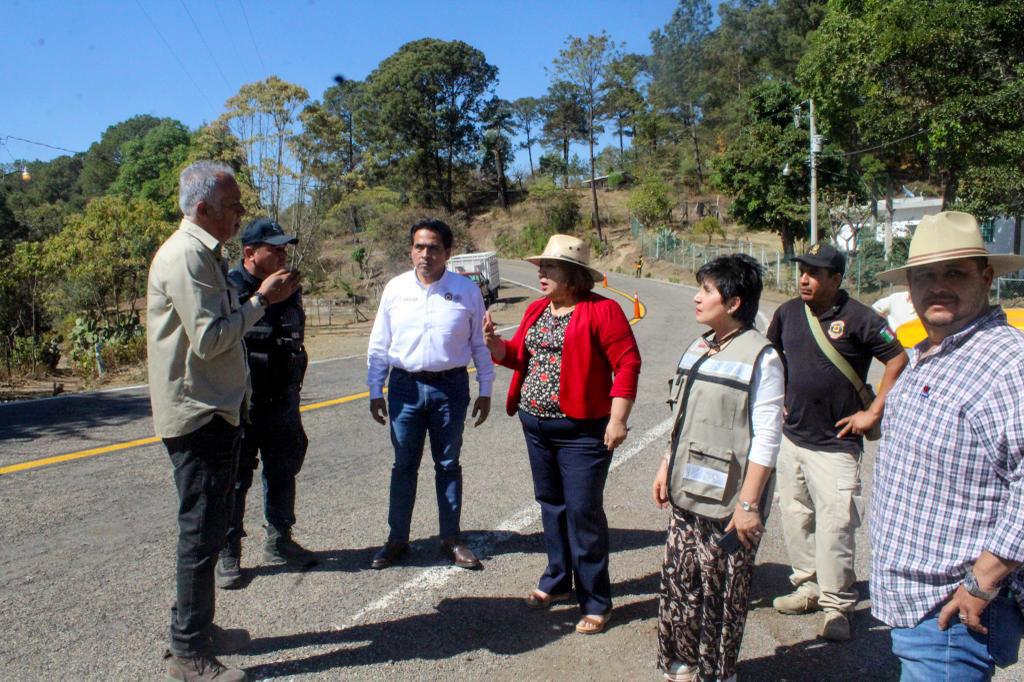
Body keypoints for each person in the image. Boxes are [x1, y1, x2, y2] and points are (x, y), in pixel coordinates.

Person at [148, 161, 299, 681]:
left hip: (214, 408)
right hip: (199, 413)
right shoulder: (188, 256)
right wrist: (261, 301)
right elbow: (212, 339)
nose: (239, 213)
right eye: (232, 205)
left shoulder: (201, 253)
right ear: (202, 208)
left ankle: (195, 632)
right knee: (200, 534)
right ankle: (189, 653)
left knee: (208, 531)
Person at [870, 211, 1024, 680]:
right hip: (919, 608)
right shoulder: (932, 352)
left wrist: (984, 579)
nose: (938, 286)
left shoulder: (1005, 363)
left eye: (954, 273)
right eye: (924, 276)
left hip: (954, 612)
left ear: (986, 276)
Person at [483, 234, 641, 635]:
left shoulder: (602, 311)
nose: (540, 273)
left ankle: (596, 601)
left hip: (583, 431)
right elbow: (519, 355)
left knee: (583, 512)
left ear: (572, 275)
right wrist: (493, 344)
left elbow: (627, 363)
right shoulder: (538, 309)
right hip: (536, 424)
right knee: (551, 505)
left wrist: (618, 419)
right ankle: (557, 580)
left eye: (549, 267)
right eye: (541, 266)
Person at [651, 254, 784, 681]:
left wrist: (749, 504)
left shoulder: (762, 358)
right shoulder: (700, 345)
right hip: (687, 493)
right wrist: (664, 465)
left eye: (706, 290)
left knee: (721, 592)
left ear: (733, 302)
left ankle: (716, 672)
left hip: (730, 504)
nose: (696, 297)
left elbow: (767, 436)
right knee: (679, 581)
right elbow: (681, 418)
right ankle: (682, 663)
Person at [766, 241, 908, 641]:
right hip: (794, 440)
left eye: (814, 272)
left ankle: (836, 606)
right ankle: (808, 587)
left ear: (836, 278)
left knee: (835, 527)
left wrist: (874, 412)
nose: (804, 278)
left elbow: (898, 359)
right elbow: (772, 356)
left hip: (837, 444)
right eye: (801, 270)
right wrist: (777, 398)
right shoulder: (788, 312)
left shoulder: (861, 318)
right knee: (796, 518)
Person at [366, 218, 495, 570]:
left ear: (447, 253)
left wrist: (485, 389)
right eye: (419, 247)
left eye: (433, 247)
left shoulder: (466, 290)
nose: (425, 254)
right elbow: (380, 343)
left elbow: (480, 345)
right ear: (411, 250)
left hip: (450, 388)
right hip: (404, 388)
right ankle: (397, 541)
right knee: (403, 465)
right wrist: (375, 388)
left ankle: (451, 538)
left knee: (448, 464)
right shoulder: (394, 289)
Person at [215, 217, 316, 591]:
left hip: (283, 397)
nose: (282, 254)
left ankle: (280, 539)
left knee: (283, 467)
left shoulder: (290, 287)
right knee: (236, 477)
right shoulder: (229, 288)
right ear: (249, 253)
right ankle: (228, 551)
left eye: (284, 248)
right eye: (274, 248)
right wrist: (264, 296)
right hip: (244, 402)